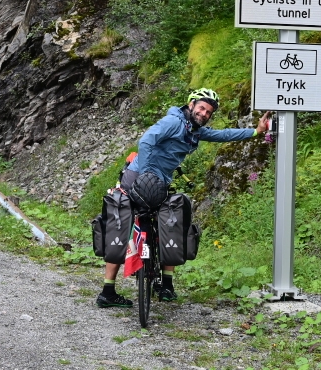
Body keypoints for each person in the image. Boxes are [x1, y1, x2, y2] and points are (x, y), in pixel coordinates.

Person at [96, 87, 272, 308]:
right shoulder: (174, 122)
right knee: (121, 224)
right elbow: (146, 141)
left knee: (171, 223)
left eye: (209, 112)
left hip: (160, 183)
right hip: (138, 176)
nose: (204, 114)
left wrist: (255, 131)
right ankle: (107, 291)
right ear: (191, 105)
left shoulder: (195, 130)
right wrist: (149, 173)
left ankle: (166, 285)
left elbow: (223, 135)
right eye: (201, 108)